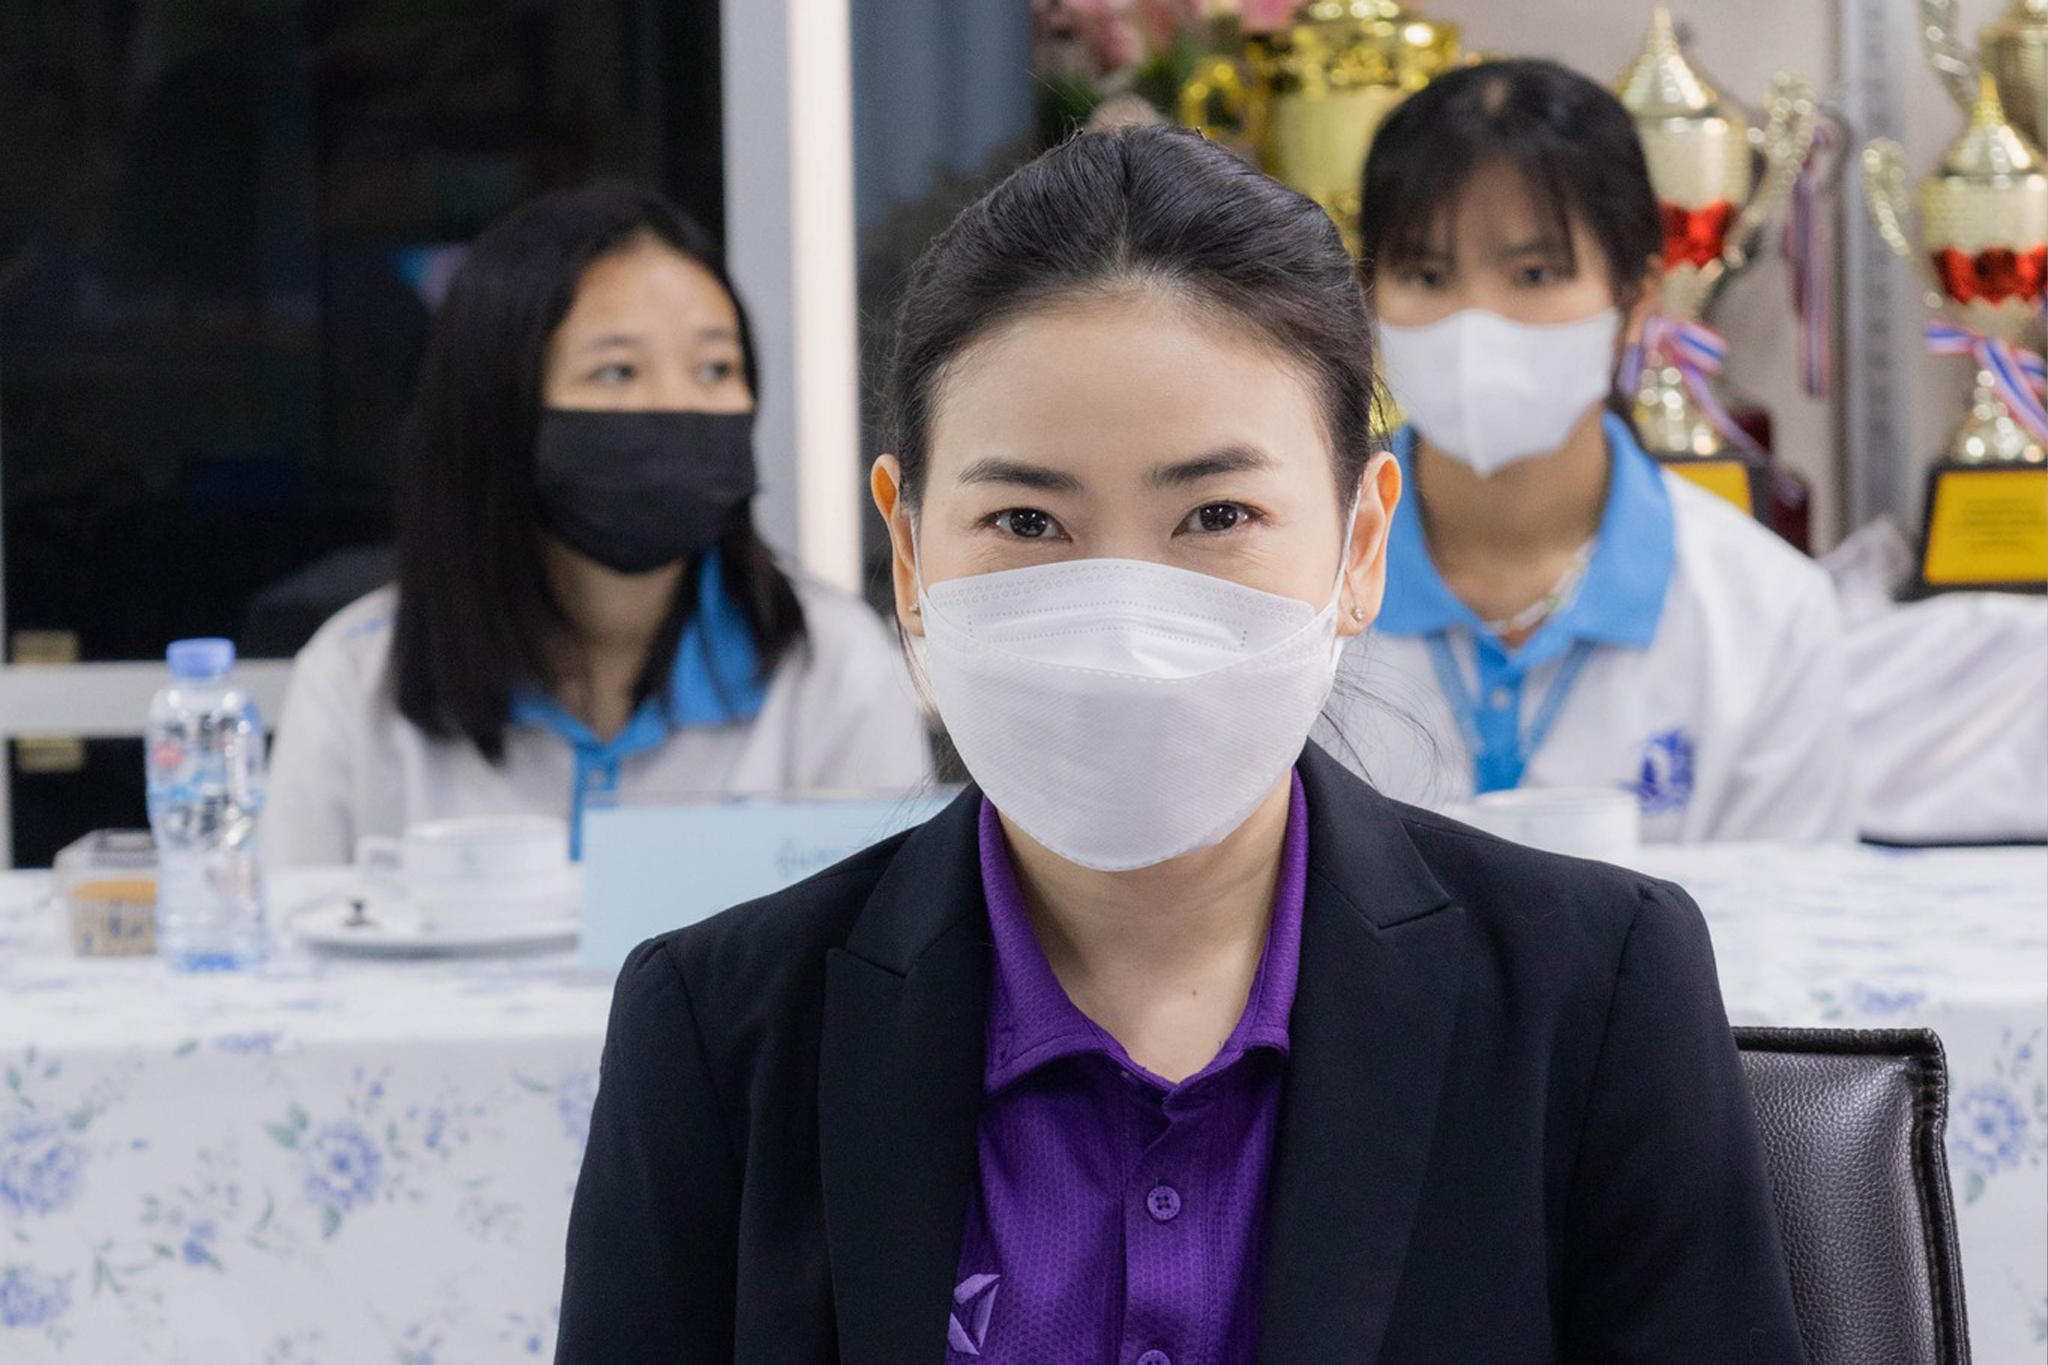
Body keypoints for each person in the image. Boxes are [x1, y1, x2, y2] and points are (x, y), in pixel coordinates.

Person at [555, 126, 1801, 1363]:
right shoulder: (719, 1034)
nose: (1120, 617)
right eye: (1027, 519)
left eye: (1216, 514)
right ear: (908, 553)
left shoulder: (1594, 994)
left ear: (1360, 546)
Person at [265, 184, 932, 864]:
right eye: (616, 370)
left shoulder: (835, 666)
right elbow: (279, 955)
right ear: (499, 408)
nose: (679, 405)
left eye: (715, 367)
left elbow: (887, 951)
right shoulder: (355, 677)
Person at [1320, 59, 1853, 842]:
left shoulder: (1767, 613)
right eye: (1425, 273)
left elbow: (1785, 933)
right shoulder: (1296, 585)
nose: (1476, 324)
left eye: (1533, 272)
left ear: (1638, 298)